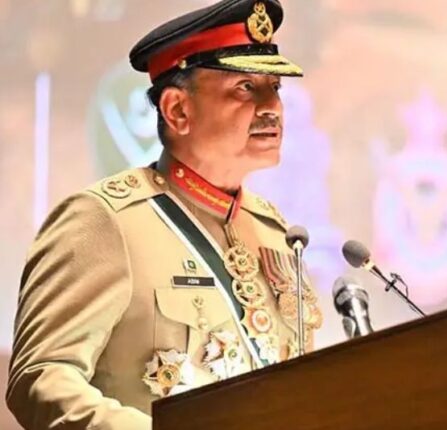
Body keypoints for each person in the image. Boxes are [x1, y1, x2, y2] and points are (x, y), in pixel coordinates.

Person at [6, 0, 322, 428]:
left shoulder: (276, 233)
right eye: (246, 87)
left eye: (276, 88)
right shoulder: (106, 220)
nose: (273, 107)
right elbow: (42, 378)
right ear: (177, 110)